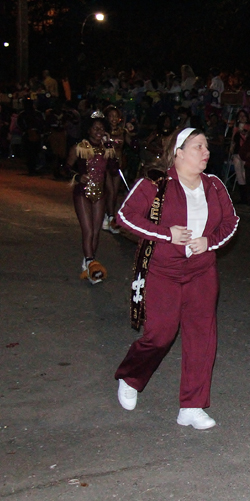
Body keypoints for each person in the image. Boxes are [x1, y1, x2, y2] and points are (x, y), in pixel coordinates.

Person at [114, 128, 239, 429]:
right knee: (160, 334)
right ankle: (131, 377)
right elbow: (125, 216)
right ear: (179, 153)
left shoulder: (214, 185)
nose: (205, 152)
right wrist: (166, 234)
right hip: (163, 272)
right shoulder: (156, 182)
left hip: (201, 271)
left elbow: (230, 221)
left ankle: (192, 406)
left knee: (202, 337)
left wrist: (209, 242)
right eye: (198, 147)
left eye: (206, 147)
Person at [64, 112, 115, 284]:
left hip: (100, 192)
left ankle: (90, 260)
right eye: (95, 128)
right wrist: (78, 176)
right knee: (88, 230)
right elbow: (65, 167)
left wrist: (109, 145)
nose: (99, 131)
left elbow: (115, 169)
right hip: (82, 192)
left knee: (96, 230)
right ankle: (89, 262)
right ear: (89, 130)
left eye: (102, 128)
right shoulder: (79, 147)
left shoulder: (107, 148)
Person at [102, 106, 131, 234]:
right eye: (111, 116)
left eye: (116, 116)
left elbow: (132, 144)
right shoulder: (102, 131)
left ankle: (110, 215)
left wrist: (133, 132)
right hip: (106, 163)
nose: (113, 119)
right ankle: (109, 216)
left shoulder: (123, 131)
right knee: (110, 190)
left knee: (114, 192)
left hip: (118, 164)